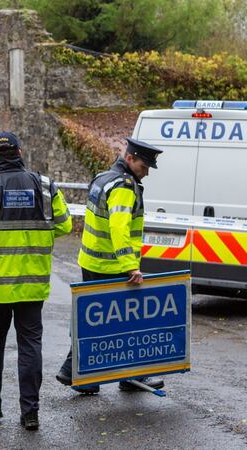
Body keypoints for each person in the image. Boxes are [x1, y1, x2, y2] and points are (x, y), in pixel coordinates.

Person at [0, 131, 72, 431]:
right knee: (30, 345)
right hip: (33, 284)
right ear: (21, 152)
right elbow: (65, 224)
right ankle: (30, 412)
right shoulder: (45, 186)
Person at [56, 137, 164, 395]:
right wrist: (130, 266)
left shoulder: (103, 177)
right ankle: (132, 377)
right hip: (113, 266)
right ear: (130, 159)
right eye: (143, 166)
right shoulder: (124, 187)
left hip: (91, 261)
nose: (147, 172)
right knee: (130, 322)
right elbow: (118, 227)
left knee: (92, 321)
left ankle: (78, 373)